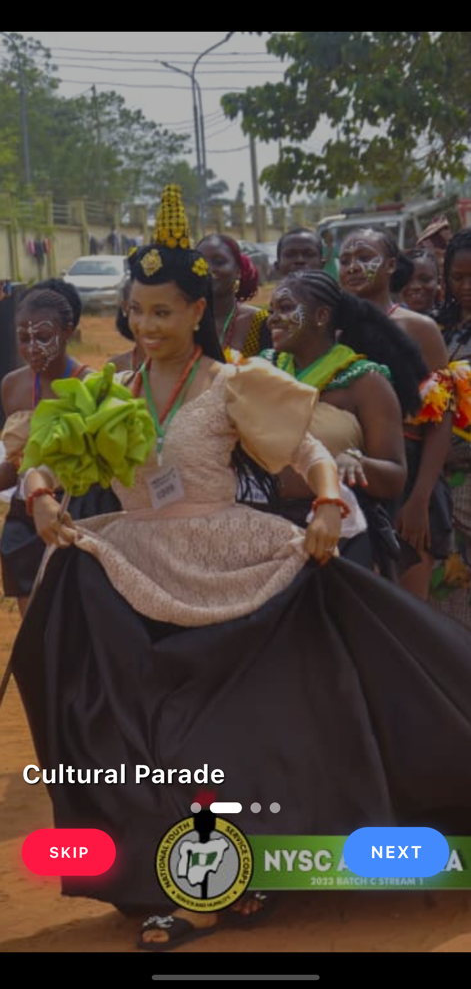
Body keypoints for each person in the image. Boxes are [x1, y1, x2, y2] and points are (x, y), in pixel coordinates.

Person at [11, 188, 471, 955]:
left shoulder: (232, 382)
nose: (148, 325)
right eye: (138, 310)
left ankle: (212, 888)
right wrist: (42, 497)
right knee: (138, 734)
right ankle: (195, 875)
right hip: (132, 572)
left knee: (218, 737)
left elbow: (309, 452)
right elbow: (41, 459)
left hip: (237, 569)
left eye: (163, 311)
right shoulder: (105, 388)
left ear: (197, 311)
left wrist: (326, 504)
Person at [260, 270, 424, 573]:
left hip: (338, 539)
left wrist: (355, 461)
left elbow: (395, 476)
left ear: (321, 315)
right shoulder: (261, 370)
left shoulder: (365, 381)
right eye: (271, 311)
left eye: (284, 308)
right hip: (263, 533)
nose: (271, 319)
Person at [339, 228, 453, 600]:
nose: (354, 266)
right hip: (354, 480)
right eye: (345, 260)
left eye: (364, 257)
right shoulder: (332, 331)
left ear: (391, 266)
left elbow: (440, 417)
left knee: (412, 612)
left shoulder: (419, 329)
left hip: (411, 478)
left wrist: (419, 498)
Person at [0, 280, 119, 616]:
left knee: (74, 630)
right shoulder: (12, 386)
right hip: (24, 521)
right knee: (32, 633)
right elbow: (17, 465)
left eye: (43, 337)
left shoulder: (92, 386)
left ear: (68, 332)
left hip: (78, 516)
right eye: (24, 338)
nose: (32, 347)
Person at [431, 228, 471, 626]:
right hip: (441, 474)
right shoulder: (437, 328)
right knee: (446, 580)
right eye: (457, 278)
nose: (465, 287)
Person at [196, 234, 271, 356]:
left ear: (238, 271)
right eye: (201, 263)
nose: (208, 269)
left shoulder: (261, 322)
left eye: (219, 262)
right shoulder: (184, 321)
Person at [108, 278, 145, 376]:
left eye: (161, 313)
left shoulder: (188, 371)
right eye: (137, 309)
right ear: (125, 308)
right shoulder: (115, 368)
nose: (147, 324)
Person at [401, 249, 441, 316]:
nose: (415, 286)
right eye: (407, 280)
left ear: (439, 282)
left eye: (425, 279)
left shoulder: (450, 321)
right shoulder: (388, 321)